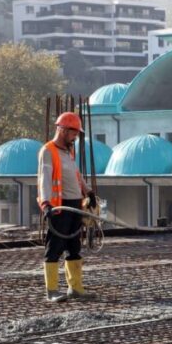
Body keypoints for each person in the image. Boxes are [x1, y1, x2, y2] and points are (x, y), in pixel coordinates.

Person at [38, 111, 97, 302]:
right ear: (63, 130)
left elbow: (75, 175)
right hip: (59, 207)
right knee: (54, 247)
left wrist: (88, 191)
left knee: (74, 247)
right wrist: (46, 203)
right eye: (73, 133)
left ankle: (76, 288)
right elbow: (44, 179)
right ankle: (52, 291)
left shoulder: (68, 151)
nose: (75, 137)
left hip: (75, 205)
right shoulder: (48, 151)